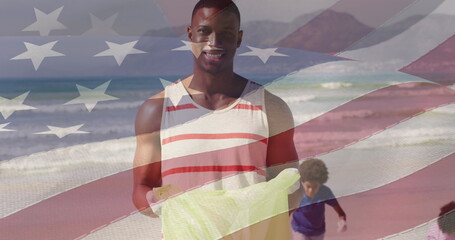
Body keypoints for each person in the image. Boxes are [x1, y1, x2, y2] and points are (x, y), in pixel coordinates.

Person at [132, 0, 299, 238]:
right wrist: (156, 200)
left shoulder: (271, 108)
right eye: (204, 32)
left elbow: (290, 188)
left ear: (239, 38)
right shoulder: (156, 110)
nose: (214, 42)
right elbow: (141, 188)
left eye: (226, 33)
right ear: (190, 35)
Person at [290, 158, 347, 240]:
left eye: (315, 186)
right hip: (299, 229)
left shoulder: (325, 191)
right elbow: (287, 213)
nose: (311, 190)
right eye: (308, 186)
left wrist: (342, 222)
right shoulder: (297, 192)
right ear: (302, 181)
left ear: (320, 183)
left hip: (318, 232)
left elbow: (341, 213)